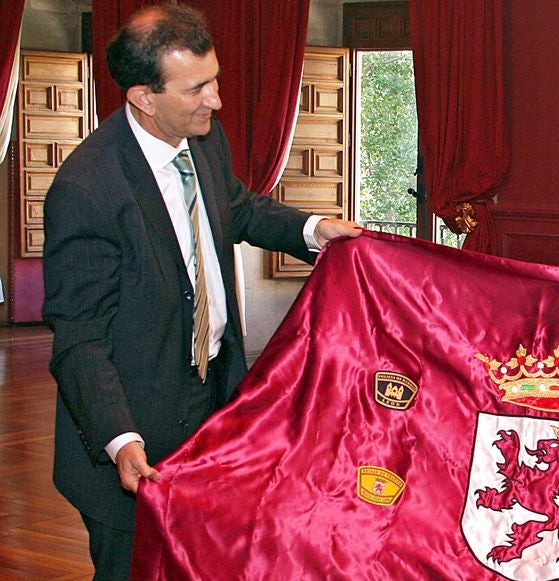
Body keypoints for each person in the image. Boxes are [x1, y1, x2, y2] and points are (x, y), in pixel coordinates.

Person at [40, 5, 360, 579]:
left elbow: (235, 207)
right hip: (133, 426)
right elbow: (80, 337)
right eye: (197, 88)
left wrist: (311, 230)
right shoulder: (87, 188)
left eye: (213, 80)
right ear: (143, 97)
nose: (216, 100)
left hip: (213, 399)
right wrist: (120, 438)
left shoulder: (203, 141)